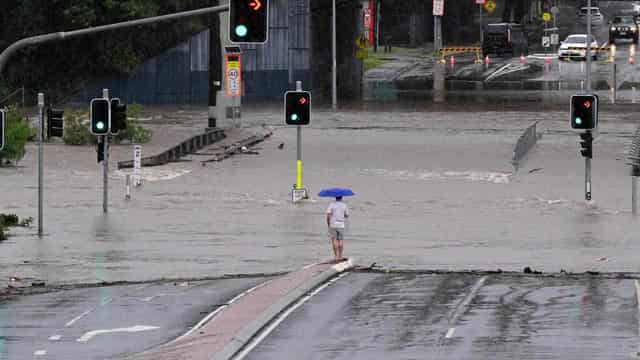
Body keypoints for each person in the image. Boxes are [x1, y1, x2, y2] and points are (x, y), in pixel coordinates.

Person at [327, 196, 349, 262]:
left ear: (335, 197)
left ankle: (336, 256)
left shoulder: (331, 204)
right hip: (341, 225)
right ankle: (340, 256)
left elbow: (328, 215)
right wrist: (343, 214)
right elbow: (347, 215)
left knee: (334, 240)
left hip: (333, 224)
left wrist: (328, 223)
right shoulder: (344, 205)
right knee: (341, 240)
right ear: (341, 198)